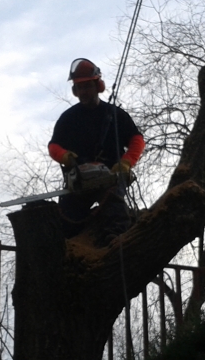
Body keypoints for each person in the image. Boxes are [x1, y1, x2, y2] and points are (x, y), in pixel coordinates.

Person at [48, 58, 145, 241]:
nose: (83, 92)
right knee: (68, 218)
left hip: (111, 177)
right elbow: (54, 146)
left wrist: (126, 162)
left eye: (87, 86)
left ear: (98, 86)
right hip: (80, 179)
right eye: (80, 88)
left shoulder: (115, 115)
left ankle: (114, 240)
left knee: (115, 209)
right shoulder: (69, 119)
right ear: (75, 91)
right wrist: (65, 157)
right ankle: (71, 246)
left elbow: (136, 139)